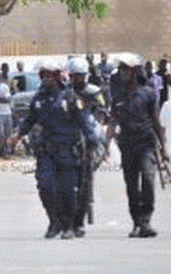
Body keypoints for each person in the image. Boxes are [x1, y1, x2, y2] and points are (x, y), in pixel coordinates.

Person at [8, 60, 98, 240]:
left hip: (67, 152)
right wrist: (17, 135)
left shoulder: (70, 97)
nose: (46, 78)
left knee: (67, 190)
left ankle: (69, 226)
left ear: (57, 75)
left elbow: (85, 122)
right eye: (43, 75)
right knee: (45, 186)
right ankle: (54, 221)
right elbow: (29, 120)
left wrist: (92, 144)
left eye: (50, 75)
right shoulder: (38, 98)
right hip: (46, 152)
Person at [106, 53, 166, 238]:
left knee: (148, 179)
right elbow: (113, 121)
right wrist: (106, 143)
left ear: (133, 71)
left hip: (146, 143)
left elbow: (156, 121)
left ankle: (146, 221)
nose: (122, 73)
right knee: (131, 186)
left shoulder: (148, 93)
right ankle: (136, 222)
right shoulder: (118, 95)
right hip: (127, 145)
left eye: (125, 69)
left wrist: (163, 147)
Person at [66, 56, 106, 238]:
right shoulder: (65, 93)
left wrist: (94, 130)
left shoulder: (94, 92)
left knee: (85, 183)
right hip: (68, 137)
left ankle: (79, 221)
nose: (77, 80)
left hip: (89, 138)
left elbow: (102, 112)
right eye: (74, 76)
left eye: (80, 76)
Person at [0, 70, 13, 158]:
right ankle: (1, 151)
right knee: (0, 133)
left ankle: (6, 150)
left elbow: (8, 100)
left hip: (7, 113)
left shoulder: (4, 86)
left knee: (7, 133)